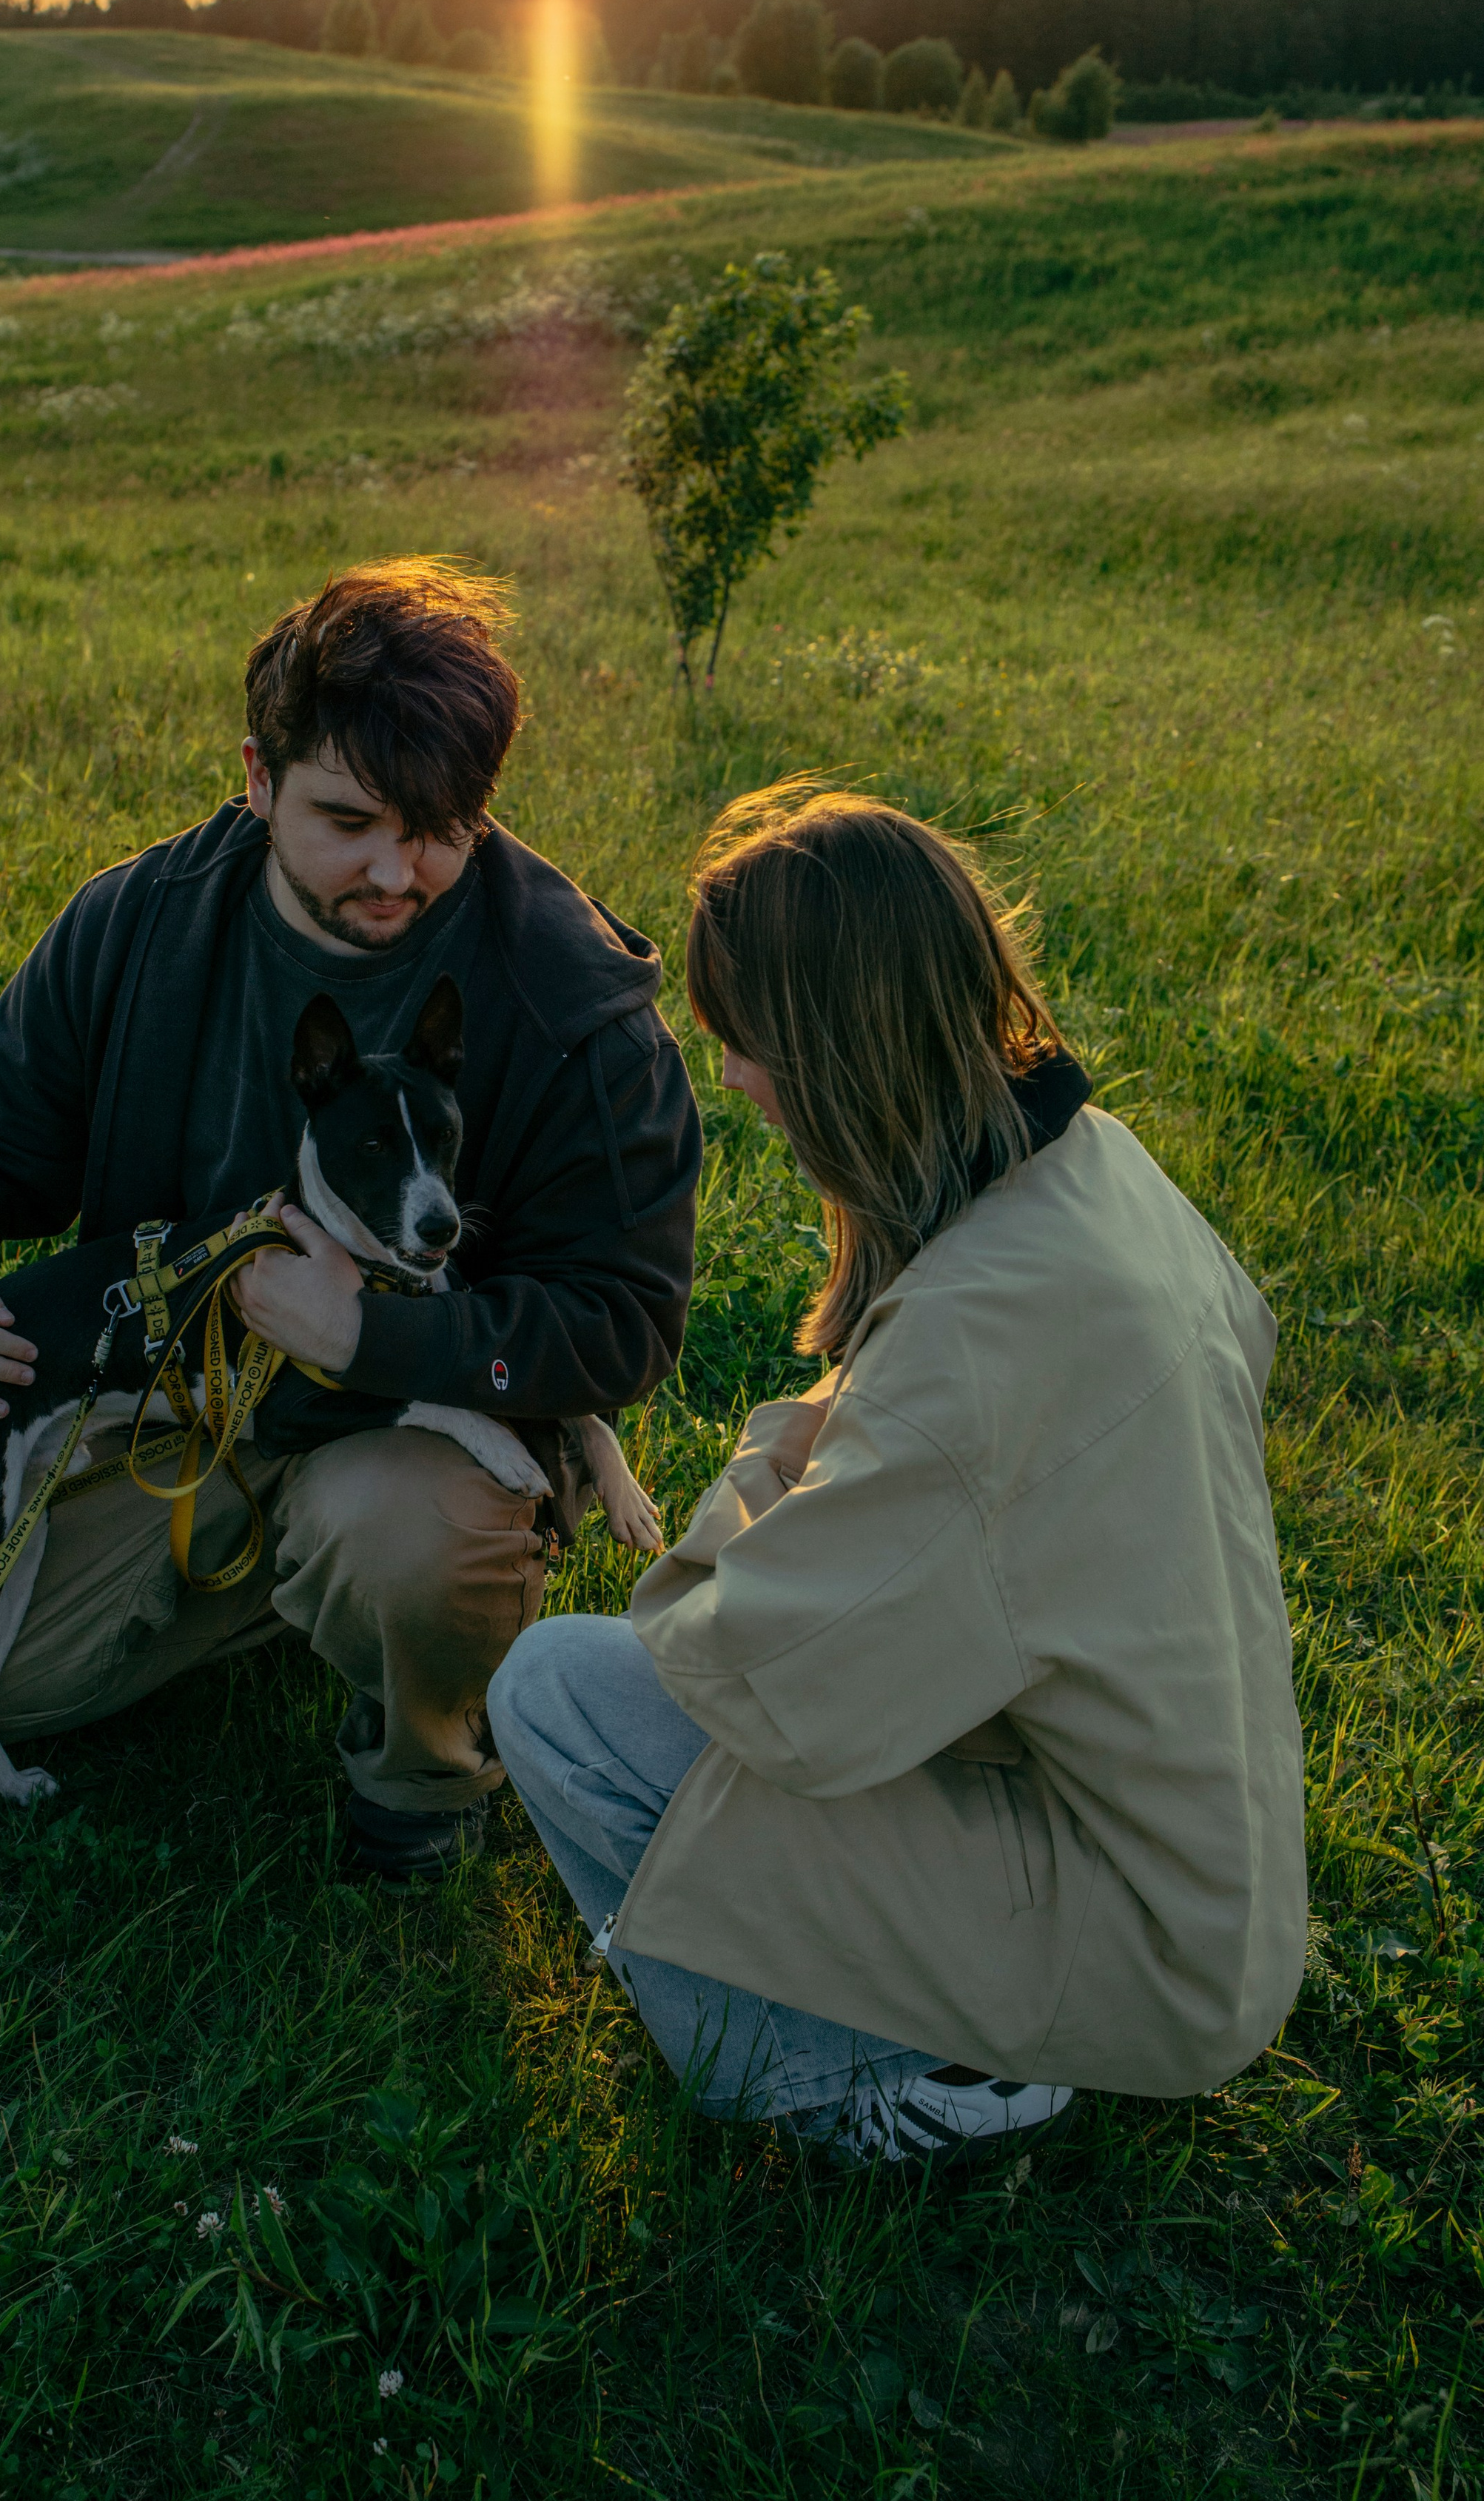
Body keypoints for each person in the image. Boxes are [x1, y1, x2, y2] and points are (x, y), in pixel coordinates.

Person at [488, 788, 1307, 2168]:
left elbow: (740, 1669)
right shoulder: (1097, 1174)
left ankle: (858, 2083)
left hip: (1137, 1945)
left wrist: (767, 1458)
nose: (733, 1078)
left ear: (835, 1045)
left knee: (561, 1695)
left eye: (745, 1042)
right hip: (1212, 1884)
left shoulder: (969, 1353)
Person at [0, 563, 701, 1880]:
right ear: (259, 775)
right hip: (185, 1416)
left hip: (417, 1430)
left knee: (402, 1541)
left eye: (441, 827)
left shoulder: (570, 1003)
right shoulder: (142, 921)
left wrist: (371, 1338)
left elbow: (626, 1320)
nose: (396, 869)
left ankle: (418, 1771)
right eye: (349, 818)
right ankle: (258, 1580)